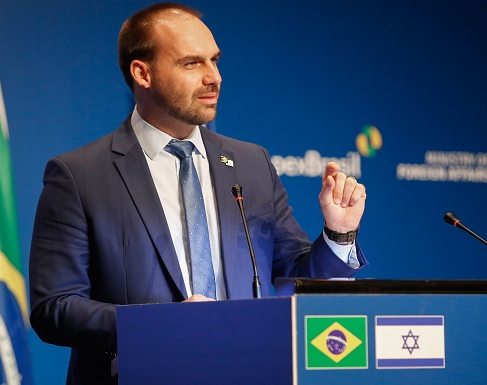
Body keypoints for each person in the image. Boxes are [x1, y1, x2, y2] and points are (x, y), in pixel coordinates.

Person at [28, 2, 368, 384]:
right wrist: (161, 325)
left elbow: (294, 274)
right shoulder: (80, 174)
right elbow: (54, 308)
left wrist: (339, 235)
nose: (214, 77)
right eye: (192, 64)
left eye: (215, 60)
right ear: (143, 72)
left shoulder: (251, 162)